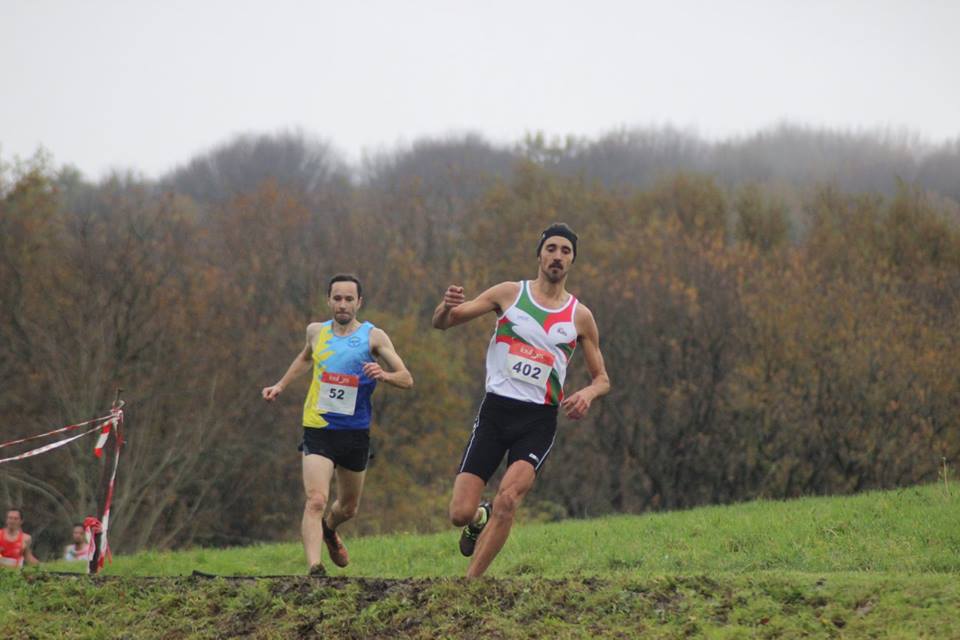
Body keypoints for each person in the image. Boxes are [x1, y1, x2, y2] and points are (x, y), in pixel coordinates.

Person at [432, 222, 611, 578]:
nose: (558, 256)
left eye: (566, 252)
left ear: (572, 261)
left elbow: (602, 378)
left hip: (538, 421)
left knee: (509, 500)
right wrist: (444, 306)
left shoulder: (580, 316)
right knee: (459, 513)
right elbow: (445, 323)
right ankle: (477, 518)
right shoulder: (509, 294)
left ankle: (470, 583)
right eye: (552, 249)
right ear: (539, 254)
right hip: (496, 413)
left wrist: (587, 394)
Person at [262, 274, 413, 575]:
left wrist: (384, 374)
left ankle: (330, 529)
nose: (342, 304)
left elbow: (407, 379)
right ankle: (315, 570)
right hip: (318, 427)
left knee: (348, 508)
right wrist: (280, 384)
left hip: (355, 432)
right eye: (337, 298)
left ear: (359, 302)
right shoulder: (316, 332)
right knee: (316, 500)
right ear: (328, 300)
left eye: (348, 299)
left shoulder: (374, 337)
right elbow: (306, 359)